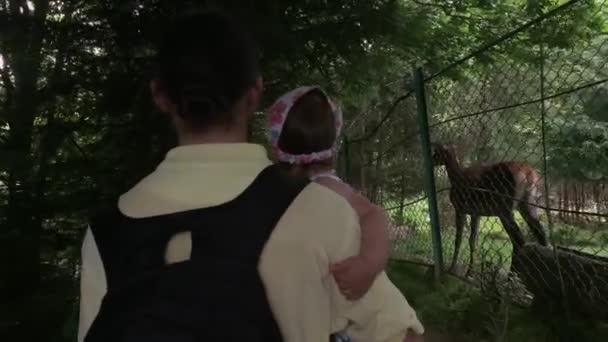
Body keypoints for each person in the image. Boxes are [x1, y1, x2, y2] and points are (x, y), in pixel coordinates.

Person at [78, 10, 423, 342]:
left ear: (160, 96)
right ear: (255, 92)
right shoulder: (317, 211)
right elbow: (397, 334)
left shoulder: (107, 236)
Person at [267, 86, 424, 341]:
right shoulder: (324, 189)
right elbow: (374, 214)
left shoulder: (325, 189)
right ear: (334, 141)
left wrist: (368, 265)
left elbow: (375, 214)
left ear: (276, 146)